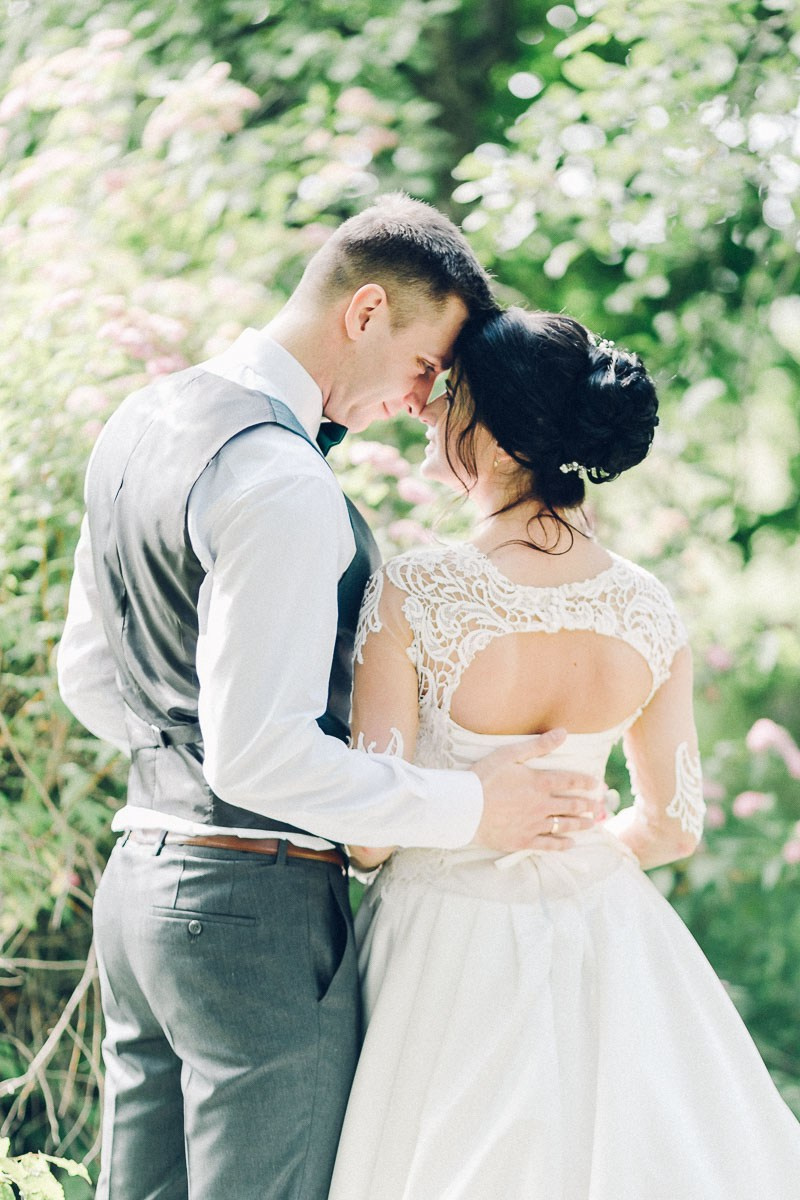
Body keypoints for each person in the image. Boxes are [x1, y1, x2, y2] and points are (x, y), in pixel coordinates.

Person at [56, 198, 603, 1200]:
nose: (423, 399)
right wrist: (478, 806)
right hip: (251, 915)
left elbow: (89, 676)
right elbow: (258, 756)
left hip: (139, 885)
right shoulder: (283, 480)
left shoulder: (145, 422)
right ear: (362, 313)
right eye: (425, 367)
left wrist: (181, 784)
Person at [329, 307, 800, 1200]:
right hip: (604, 932)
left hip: (443, 946)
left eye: (451, 397)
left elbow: (368, 835)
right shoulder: (648, 609)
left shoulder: (416, 589)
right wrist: (570, 846)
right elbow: (671, 826)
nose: (429, 409)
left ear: (499, 435)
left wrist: (466, 817)